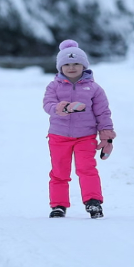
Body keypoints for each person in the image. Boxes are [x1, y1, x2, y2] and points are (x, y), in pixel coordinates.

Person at [43, 40, 115, 219]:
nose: (72, 67)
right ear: (60, 67)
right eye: (67, 64)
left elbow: (103, 113)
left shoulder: (94, 89)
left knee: (87, 169)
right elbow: (48, 104)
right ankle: (58, 205)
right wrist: (62, 108)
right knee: (59, 171)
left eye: (76, 63)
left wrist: (106, 136)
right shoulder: (54, 86)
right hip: (59, 136)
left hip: (85, 136)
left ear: (84, 65)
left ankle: (93, 202)